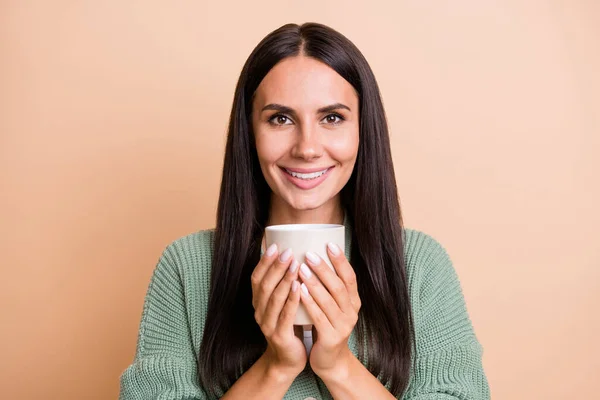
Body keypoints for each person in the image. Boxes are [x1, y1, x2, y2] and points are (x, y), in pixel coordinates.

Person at [119, 22, 490, 400]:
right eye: (280, 118)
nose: (307, 148)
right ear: (249, 131)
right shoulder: (188, 266)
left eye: (332, 118)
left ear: (363, 129)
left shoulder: (419, 265)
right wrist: (276, 366)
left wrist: (338, 365)